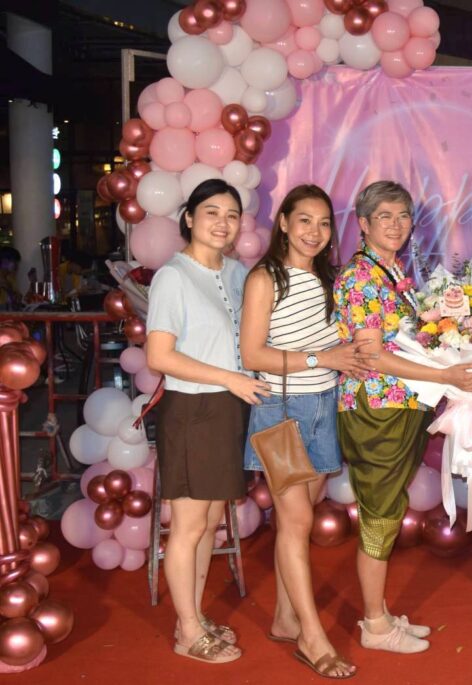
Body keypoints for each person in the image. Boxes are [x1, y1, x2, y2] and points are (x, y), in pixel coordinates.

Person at [334, 180, 472, 654]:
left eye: (403, 215)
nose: (396, 224)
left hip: (401, 406)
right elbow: (371, 355)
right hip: (376, 409)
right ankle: (374, 626)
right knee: (380, 515)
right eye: (384, 216)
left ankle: (379, 613)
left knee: (388, 507)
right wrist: (445, 376)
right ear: (363, 224)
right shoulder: (360, 278)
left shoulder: (391, 271)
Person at [239, 185, 368, 678]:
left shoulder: (329, 279)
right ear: (284, 223)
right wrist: (323, 358)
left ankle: (284, 618)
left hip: (322, 407)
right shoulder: (265, 278)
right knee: (296, 522)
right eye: (305, 221)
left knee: (298, 519)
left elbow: (338, 343)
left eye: (324, 223)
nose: (315, 232)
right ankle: (313, 640)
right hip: (281, 411)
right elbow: (252, 354)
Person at [146, 179, 270, 664]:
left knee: (211, 520)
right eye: (212, 212)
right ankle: (188, 631)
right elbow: (160, 356)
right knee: (189, 525)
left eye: (232, 214)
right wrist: (229, 378)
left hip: (232, 408)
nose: (223, 223)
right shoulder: (173, 277)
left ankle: (192, 616)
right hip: (193, 410)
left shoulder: (239, 273)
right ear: (189, 218)